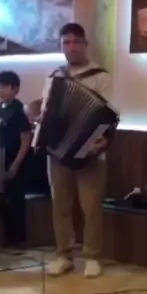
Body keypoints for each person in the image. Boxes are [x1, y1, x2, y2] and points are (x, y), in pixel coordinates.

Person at [39, 22, 115, 279]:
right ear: (61, 46)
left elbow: (109, 115)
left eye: (76, 42)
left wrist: (103, 140)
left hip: (90, 152)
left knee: (91, 207)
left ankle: (92, 256)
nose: (71, 47)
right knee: (60, 205)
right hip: (57, 150)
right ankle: (64, 255)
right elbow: (46, 111)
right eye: (66, 43)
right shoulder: (54, 76)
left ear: (85, 44)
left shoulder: (101, 76)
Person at [0, 71, 33, 247]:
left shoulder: (19, 110)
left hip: (16, 161)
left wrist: (15, 166)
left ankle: (19, 239)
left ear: (15, 89)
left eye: (4, 87)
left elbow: (26, 139)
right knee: (0, 199)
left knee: (16, 200)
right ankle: (7, 237)